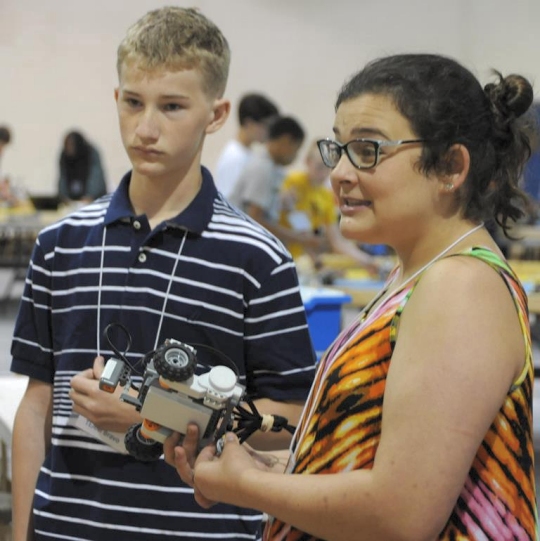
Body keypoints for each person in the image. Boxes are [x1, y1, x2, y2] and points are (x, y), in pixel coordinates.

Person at [165, 53, 538, 541]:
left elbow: (401, 513)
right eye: (337, 149)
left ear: (451, 166)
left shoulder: (460, 287)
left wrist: (250, 486)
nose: (339, 172)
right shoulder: (420, 276)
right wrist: (279, 466)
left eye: (367, 150)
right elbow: (378, 465)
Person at [10, 7, 315, 541]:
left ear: (215, 114)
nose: (146, 128)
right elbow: (36, 406)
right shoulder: (60, 245)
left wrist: (148, 414)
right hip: (68, 527)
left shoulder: (258, 258)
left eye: (172, 106)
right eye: (133, 102)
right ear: (116, 100)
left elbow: (287, 419)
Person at [279, 139, 383, 275]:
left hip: (302, 261)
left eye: (327, 168)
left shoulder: (326, 196)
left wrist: (367, 260)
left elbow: (336, 241)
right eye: (318, 167)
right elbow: (300, 231)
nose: (323, 173)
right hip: (283, 255)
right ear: (307, 162)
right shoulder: (293, 183)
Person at [229, 115, 323, 254]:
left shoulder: (272, 168)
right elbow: (255, 219)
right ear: (285, 141)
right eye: (296, 149)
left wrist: (281, 201)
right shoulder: (263, 168)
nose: (295, 156)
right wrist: (299, 238)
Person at [214, 92, 279, 198]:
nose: (269, 132)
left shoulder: (247, 153)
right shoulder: (234, 156)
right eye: (266, 125)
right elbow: (226, 199)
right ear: (249, 123)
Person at [57, 130, 108, 204]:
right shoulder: (64, 156)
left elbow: (96, 177)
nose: (69, 149)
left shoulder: (91, 153)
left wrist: (90, 195)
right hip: (72, 201)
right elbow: (63, 178)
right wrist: (64, 197)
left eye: (71, 145)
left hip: (93, 200)